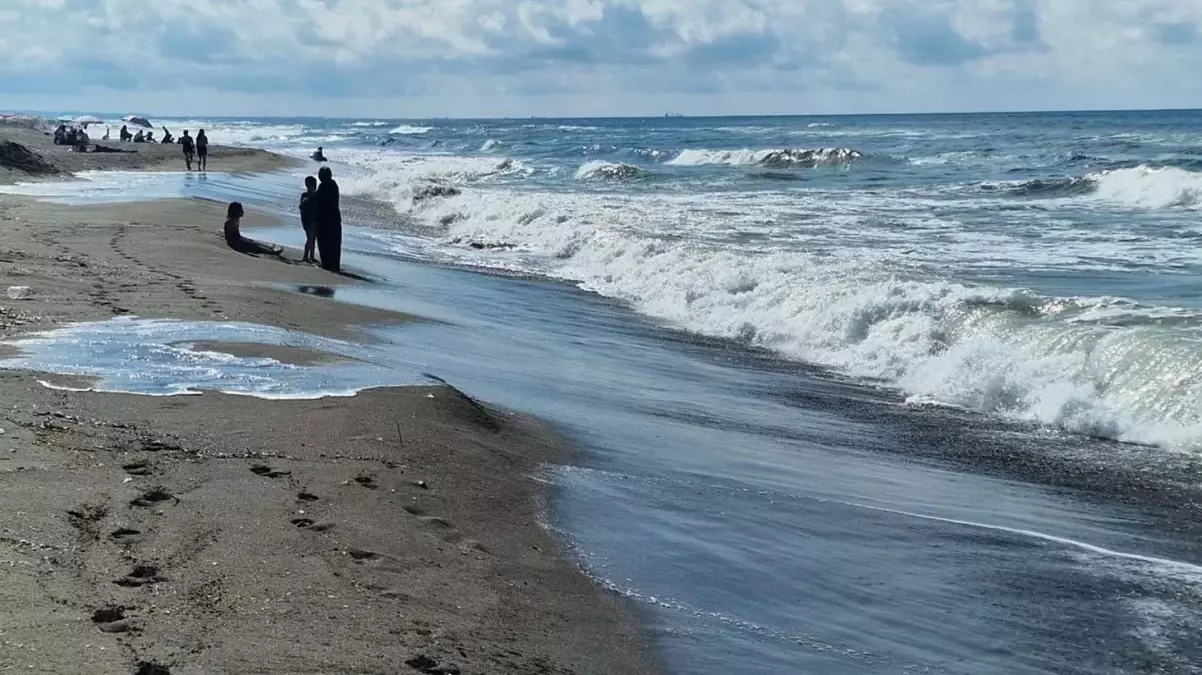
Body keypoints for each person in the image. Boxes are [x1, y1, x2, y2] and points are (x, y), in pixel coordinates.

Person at [314, 166, 341, 272]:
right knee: (335, 243)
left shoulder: (323, 186)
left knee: (324, 242)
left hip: (325, 218)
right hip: (335, 217)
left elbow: (319, 203)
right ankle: (335, 264)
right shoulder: (334, 185)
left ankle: (326, 264)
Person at [299, 175, 319, 263]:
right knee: (310, 238)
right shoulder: (305, 195)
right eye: (312, 184)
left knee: (313, 238)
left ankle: (312, 256)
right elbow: (301, 206)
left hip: (314, 219)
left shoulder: (316, 195)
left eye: (315, 184)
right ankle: (305, 256)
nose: (314, 186)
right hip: (307, 220)